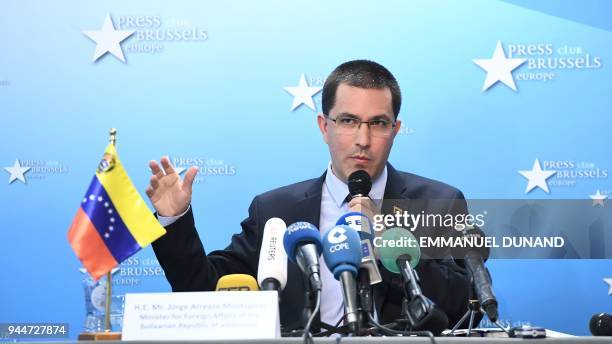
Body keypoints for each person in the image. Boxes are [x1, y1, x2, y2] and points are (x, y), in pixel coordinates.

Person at [147, 60, 476, 333]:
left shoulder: (438, 203)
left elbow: (466, 305)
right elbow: (206, 293)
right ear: (324, 126)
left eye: (378, 123)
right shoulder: (275, 210)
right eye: (348, 121)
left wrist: (387, 242)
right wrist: (174, 221)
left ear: (395, 129)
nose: (363, 139)